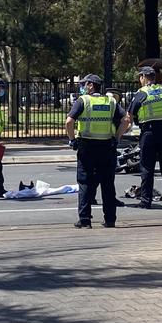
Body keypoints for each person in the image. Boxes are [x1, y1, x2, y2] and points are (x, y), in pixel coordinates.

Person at [66, 74, 129, 228]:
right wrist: (117, 137)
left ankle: (85, 220)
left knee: (85, 183)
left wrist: (73, 140)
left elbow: (69, 121)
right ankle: (110, 220)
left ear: (90, 85)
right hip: (107, 146)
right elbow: (126, 119)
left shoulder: (83, 101)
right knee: (108, 184)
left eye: (84, 84)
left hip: (87, 147)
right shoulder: (111, 101)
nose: (82, 87)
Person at [126, 66, 162, 210]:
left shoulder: (141, 94)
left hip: (149, 134)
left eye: (140, 77)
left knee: (147, 168)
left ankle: (145, 201)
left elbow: (130, 116)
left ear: (143, 77)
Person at [90, 87, 126, 208]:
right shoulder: (112, 105)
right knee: (105, 175)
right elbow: (125, 120)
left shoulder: (108, 103)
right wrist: (117, 136)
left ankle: (92, 197)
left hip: (101, 141)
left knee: (101, 174)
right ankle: (96, 197)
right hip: (108, 141)